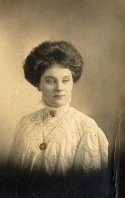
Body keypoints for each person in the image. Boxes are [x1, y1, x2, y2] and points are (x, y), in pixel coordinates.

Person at [9, 40, 109, 176]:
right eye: (50, 81)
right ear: (38, 84)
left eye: (65, 80)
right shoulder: (25, 124)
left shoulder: (86, 127)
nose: (59, 88)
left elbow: (87, 187)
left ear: (73, 82)